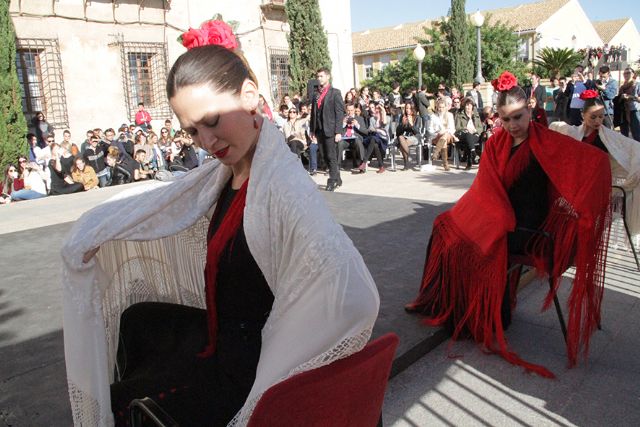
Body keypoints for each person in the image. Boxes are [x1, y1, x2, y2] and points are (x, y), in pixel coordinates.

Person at [62, 22, 379, 426]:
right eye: (193, 131)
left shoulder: (283, 192)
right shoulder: (228, 173)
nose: (207, 141)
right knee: (137, 320)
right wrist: (97, 233)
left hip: (249, 370)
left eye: (213, 120)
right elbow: (166, 200)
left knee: (120, 400)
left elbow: (355, 294)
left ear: (249, 96)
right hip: (224, 340)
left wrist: (282, 366)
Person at [406, 71, 612, 379]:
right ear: (498, 118)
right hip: (503, 217)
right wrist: (485, 216)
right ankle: (443, 303)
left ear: (530, 109)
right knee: (444, 227)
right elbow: (486, 189)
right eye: (506, 119)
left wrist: (580, 214)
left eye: (518, 116)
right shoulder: (496, 144)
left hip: (528, 229)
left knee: (464, 241)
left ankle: (486, 315)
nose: (513, 125)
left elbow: (593, 165)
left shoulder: (547, 142)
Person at [550, 90, 640, 246]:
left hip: (599, 186)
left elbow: (633, 147)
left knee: (589, 219)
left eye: (601, 116)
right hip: (579, 185)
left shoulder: (610, 137)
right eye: (593, 117)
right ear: (582, 115)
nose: (598, 120)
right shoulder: (574, 134)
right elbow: (557, 133)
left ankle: (586, 242)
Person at [310, 67, 345, 191]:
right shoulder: (316, 94)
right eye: (318, 76)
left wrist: (338, 131)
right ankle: (338, 177)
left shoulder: (335, 93)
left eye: (321, 76)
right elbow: (313, 113)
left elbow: (340, 113)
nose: (319, 79)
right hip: (319, 129)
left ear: (327, 77)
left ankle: (332, 180)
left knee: (331, 156)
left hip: (330, 129)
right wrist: (312, 130)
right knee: (324, 156)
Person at [353, 102, 388, 174]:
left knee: (374, 140)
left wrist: (382, 113)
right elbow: (370, 129)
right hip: (374, 137)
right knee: (374, 142)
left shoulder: (387, 118)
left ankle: (364, 162)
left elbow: (384, 127)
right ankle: (381, 166)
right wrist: (376, 129)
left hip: (382, 139)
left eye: (379, 110)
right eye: (376, 110)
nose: (377, 111)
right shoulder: (372, 119)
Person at [454, 97, 483, 170]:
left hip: (474, 135)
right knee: (468, 135)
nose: (468, 107)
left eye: (470, 105)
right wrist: (465, 128)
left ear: (472, 106)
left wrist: (476, 131)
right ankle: (474, 154)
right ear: (464, 106)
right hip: (463, 134)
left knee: (469, 141)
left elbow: (480, 127)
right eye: (467, 105)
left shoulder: (476, 115)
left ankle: (469, 163)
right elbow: (457, 127)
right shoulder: (459, 115)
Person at [430, 98, 456, 171]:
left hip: (449, 136)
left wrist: (444, 131)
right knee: (443, 140)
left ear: (445, 107)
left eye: (443, 107)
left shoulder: (450, 115)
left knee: (445, 135)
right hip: (437, 136)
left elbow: (452, 129)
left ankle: (436, 152)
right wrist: (437, 133)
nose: (441, 109)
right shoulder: (433, 116)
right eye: (439, 107)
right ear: (437, 107)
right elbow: (430, 129)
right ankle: (445, 164)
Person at [395, 103, 422, 170]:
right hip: (403, 137)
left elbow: (417, 132)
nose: (407, 110)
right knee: (401, 138)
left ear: (413, 109)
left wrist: (412, 124)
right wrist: (402, 125)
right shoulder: (402, 116)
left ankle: (406, 164)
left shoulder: (417, 117)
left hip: (415, 137)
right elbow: (397, 132)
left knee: (402, 144)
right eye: (406, 108)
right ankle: (409, 156)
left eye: (409, 108)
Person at [617, 67, 640, 142]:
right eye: (624, 73)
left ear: (633, 74)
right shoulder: (622, 87)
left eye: (628, 73)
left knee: (636, 134)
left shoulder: (637, 85)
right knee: (624, 134)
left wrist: (631, 97)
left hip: (634, 111)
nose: (626, 75)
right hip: (623, 111)